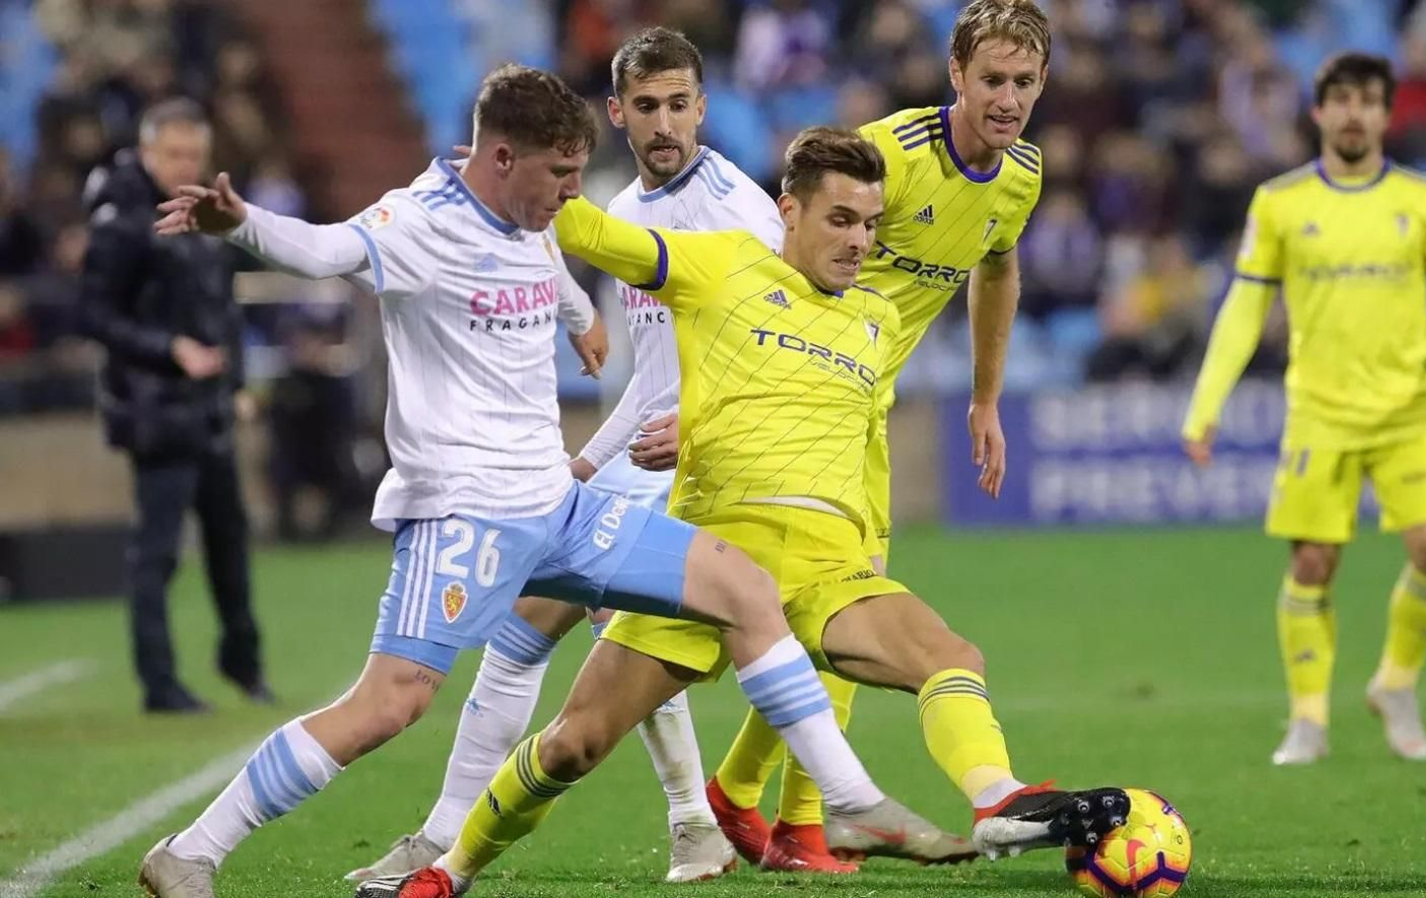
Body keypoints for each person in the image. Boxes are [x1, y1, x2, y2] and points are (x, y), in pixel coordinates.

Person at [136, 65, 953, 898]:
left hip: (560, 509)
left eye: (577, 174)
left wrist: (579, 314)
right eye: (560, 174)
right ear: (501, 158)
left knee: (743, 587)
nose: (571, 194)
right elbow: (325, 249)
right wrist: (242, 224)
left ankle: (845, 801)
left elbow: (541, 256)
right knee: (390, 704)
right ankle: (192, 850)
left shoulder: (529, 214)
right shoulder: (419, 222)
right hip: (465, 515)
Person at [355, 125, 1128, 898]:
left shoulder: (877, 320)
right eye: (840, 220)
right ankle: (450, 870)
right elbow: (591, 233)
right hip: (710, 566)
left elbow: (850, 438)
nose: (859, 242)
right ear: (789, 211)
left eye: (869, 225)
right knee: (573, 745)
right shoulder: (720, 265)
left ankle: (999, 800)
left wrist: (869, 544)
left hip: (825, 569)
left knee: (951, 657)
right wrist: (522, 179)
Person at [345, 28, 785, 884]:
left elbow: (778, 353)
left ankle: (694, 821)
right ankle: (454, 834)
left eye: (680, 104)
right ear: (618, 113)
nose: (665, 123)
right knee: (521, 627)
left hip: (715, 459)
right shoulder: (626, 216)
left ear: (703, 106)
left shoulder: (741, 213)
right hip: (646, 456)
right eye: (647, 106)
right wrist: (591, 460)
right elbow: (652, 376)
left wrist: (699, 427)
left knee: (601, 618)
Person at [706, 0, 1049, 857]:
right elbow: (779, 253)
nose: (1008, 99)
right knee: (831, 612)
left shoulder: (1021, 176)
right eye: (992, 80)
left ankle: (754, 799)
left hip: (867, 413)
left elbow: (997, 268)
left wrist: (985, 399)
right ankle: (792, 819)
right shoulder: (890, 155)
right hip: (799, 408)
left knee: (840, 623)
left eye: (1025, 82)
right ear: (956, 75)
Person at [1180, 52, 1426, 766]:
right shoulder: (1280, 203)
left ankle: (1396, 683)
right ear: (1319, 112)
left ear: (1386, 115)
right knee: (1313, 562)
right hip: (1320, 412)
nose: (1355, 114)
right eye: (1342, 100)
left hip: (1411, 408)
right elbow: (1244, 308)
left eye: (1368, 101)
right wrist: (1205, 407)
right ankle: (1308, 720)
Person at [79, 97, 271, 714]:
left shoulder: (203, 211)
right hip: (154, 409)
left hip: (208, 405)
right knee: (158, 552)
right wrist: (169, 349)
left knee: (229, 542)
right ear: (146, 151)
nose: (185, 165)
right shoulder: (120, 220)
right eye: (174, 154)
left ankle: (244, 664)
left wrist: (236, 381)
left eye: (195, 154)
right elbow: (93, 313)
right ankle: (159, 683)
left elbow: (222, 306)